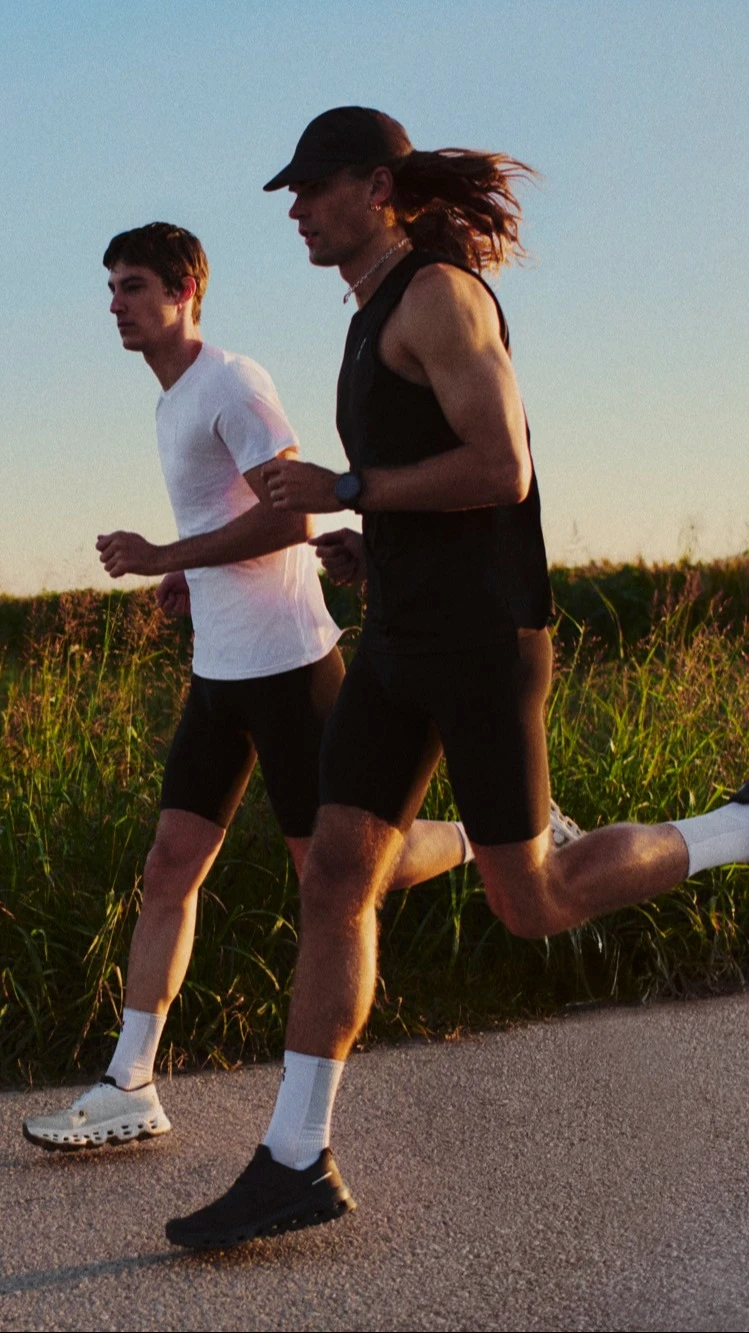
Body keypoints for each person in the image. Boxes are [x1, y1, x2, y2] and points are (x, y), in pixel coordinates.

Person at [164, 107, 749, 1251]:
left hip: (482, 640)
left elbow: (498, 466)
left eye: (312, 188)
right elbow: (421, 482)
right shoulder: (367, 309)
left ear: (375, 186)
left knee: (526, 902)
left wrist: (350, 492)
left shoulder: (438, 294)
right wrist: (366, 542)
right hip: (396, 629)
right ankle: (294, 1157)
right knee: (336, 873)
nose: (293, 209)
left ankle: (731, 827)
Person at [22, 220, 510, 1153]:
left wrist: (168, 552)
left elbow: (293, 515)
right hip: (221, 672)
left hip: (287, 667)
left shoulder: (232, 383)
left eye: (132, 287)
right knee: (170, 866)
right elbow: (233, 518)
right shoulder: (170, 403)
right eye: (111, 288)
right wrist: (190, 573)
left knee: (342, 872)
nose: (115, 305)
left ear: (185, 289)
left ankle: (498, 834)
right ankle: (130, 1081)